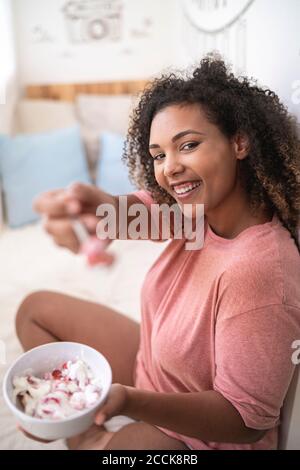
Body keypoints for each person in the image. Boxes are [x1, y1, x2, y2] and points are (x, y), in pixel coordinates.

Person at [16, 55, 300, 450]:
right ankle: (83, 424)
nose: (170, 169)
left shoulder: (260, 269)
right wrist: (84, 207)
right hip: (155, 367)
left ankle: (89, 440)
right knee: (33, 310)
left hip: (200, 437)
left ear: (239, 142)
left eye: (188, 145)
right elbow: (125, 215)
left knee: (129, 445)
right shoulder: (198, 213)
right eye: (159, 155)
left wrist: (131, 401)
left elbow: (245, 421)